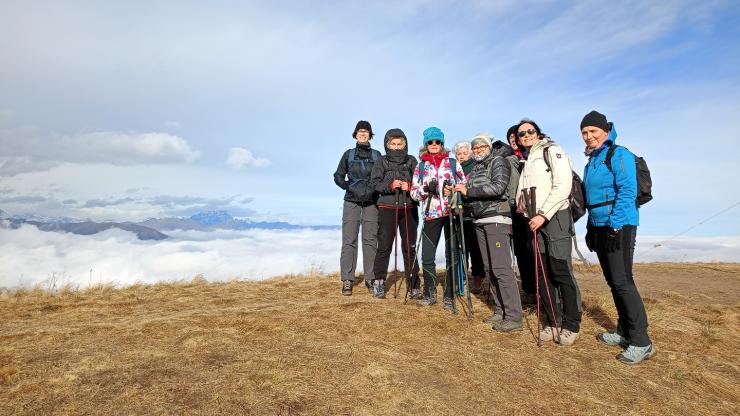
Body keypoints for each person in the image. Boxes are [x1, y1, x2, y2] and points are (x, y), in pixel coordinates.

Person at [581, 110, 655, 364]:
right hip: (600, 225)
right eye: (584, 133)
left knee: (623, 281)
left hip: (620, 225)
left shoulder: (618, 154)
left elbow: (627, 190)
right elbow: (592, 199)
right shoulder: (592, 161)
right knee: (614, 281)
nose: (589, 136)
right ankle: (624, 331)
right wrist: (592, 228)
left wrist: (614, 226)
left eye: (593, 131)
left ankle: (642, 341)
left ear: (605, 131)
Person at [515, 119, 582, 346]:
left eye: (529, 131)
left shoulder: (552, 150)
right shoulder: (528, 159)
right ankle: (553, 320)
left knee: (560, 269)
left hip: (555, 218)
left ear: (538, 132)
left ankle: (571, 324)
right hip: (533, 220)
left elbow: (562, 185)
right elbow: (524, 188)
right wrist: (520, 204)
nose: (526, 135)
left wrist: (544, 214)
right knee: (543, 271)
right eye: (521, 134)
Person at [454, 134, 523, 332]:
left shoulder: (498, 161)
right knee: (489, 267)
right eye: (474, 148)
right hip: (480, 220)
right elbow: (473, 195)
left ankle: (514, 316)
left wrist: (468, 192)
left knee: (501, 268)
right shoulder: (475, 168)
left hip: (496, 219)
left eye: (481, 146)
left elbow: (498, 187)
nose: (477, 150)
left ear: (489, 146)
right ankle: (500, 310)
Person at [410, 127, 466, 310]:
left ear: (442, 144)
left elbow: (464, 183)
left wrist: (453, 188)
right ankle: (430, 293)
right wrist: (426, 189)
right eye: (430, 142)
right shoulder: (420, 166)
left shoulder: (452, 162)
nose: (434, 145)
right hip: (431, 214)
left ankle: (449, 295)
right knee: (427, 255)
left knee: (452, 255)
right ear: (426, 144)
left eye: (437, 142)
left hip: (451, 213)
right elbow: (413, 193)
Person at [369, 129, 421, 299]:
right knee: (384, 245)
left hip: (409, 207)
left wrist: (410, 186)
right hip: (386, 208)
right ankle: (378, 282)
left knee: (409, 247)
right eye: (393, 144)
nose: (397, 147)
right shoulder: (381, 161)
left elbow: (420, 183)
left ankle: (414, 285)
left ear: (405, 144)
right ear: (387, 144)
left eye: (400, 144)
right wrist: (390, 186)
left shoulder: (412, 160)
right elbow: (374, 184)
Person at [333, 120, 380, 296]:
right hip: (351, 201)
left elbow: (381, 177)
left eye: (366, 131)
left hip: (371, 202)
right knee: (349, 240)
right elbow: (338, 175)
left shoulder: (377, 155)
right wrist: (347, 186)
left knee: (370, 240)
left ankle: (371, 278)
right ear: (355, 134)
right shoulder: (349, 154)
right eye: (360, 131)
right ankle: (347, 280)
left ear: (370, 135)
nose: (363, 134)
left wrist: (374, 190)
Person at [507, 124, 536, 303]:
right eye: (511, 140)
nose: (514, 142)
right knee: (521, 252)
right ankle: (529, 289)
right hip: (515, 212)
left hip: (533, 211)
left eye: (516, 138)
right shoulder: (510, 160)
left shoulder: (532, 157)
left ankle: (540, 289)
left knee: (533, 250)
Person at [453, 140, 485, 295]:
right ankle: (462, 279)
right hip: (457, 213)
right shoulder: (453, 169)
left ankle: (478, 277)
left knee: (475, 248)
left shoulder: (476, 167)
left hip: (473, 213)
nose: (462, 156)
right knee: (460, 248)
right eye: (459, 153)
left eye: (465, 153)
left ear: (471, 154)